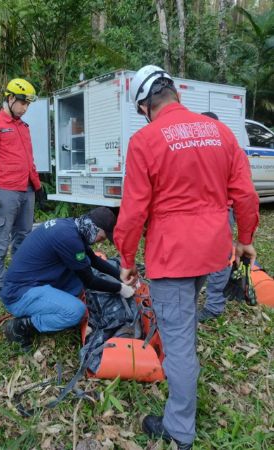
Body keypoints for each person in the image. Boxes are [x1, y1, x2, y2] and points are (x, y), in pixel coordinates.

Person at [114, 65, 259, 449]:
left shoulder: (145, 141)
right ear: (175, 92)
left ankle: (179, 428)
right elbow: (245, 195)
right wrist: (245, 239)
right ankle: (185, 378)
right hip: (211, 251)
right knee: (185, 324)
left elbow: (132, 212)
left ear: (145, 105)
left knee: (177, 341)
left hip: (173, 255)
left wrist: (126, 259)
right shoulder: (221, 132)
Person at [0, 207, 136, 351]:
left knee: (80, 272)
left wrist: (119, 275)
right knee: (76, 311)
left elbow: (94, 260)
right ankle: (21, 326)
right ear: (93, 228)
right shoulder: (69, 239)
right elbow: (90, 281)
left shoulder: (73, 226)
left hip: (32, 282)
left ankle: (53, 306)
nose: (101, 242)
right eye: (102, 237)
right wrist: (121, 289)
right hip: (18, 296)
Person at [0, 78, 47, 301]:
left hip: (26, 192)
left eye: (28, 104)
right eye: (22, 103)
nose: (25, 108)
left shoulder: (23, 127)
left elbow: (29, 161)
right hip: (4, 192)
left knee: (24, 238)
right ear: (10, 99)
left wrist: (37, 187)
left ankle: (18, 278)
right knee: (0, 240)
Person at [198, 111, 232, 322]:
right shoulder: (198, 150)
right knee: (200, 257)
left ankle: (214, 306)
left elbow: (244, 191)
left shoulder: (226, 148)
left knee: (220, 260)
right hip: (200, 213)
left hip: (220, 212)